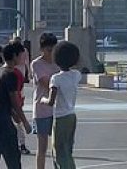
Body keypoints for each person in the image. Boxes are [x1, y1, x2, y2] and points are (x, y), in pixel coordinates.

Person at [0, 40, 31, 169]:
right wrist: (24, 122)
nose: (23, 57)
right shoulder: (10, 74)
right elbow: (14, 101)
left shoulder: (0, 71)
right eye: (21, 54)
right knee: (12, 155)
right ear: (14, 56)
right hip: (0, 117)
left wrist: (14, 114)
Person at [40, 41, 82, 169]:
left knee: (58, 152)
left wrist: (43, 100)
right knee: (67, 150)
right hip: (71, 116)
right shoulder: (76, 75)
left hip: (60, 118)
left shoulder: (56, 78)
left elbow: (51, 101)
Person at [31, 33, 59, 169]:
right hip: (42, 110)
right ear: (42, 49)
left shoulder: (59, 63)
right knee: (42, 148)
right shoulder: (36, 64)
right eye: (49, 50)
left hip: (58, 110)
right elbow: (45, 83)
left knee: (58, 147)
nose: (51, 53)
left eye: (54, 49)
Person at [11, 36, 31, 155]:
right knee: (15, 120)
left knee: (17, 119)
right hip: (15, 91)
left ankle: (21, 143)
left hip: (18, 90)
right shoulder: (9, 71)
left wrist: (28, 74)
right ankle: (18, 143)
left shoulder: (23, 53)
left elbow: (27, 63)